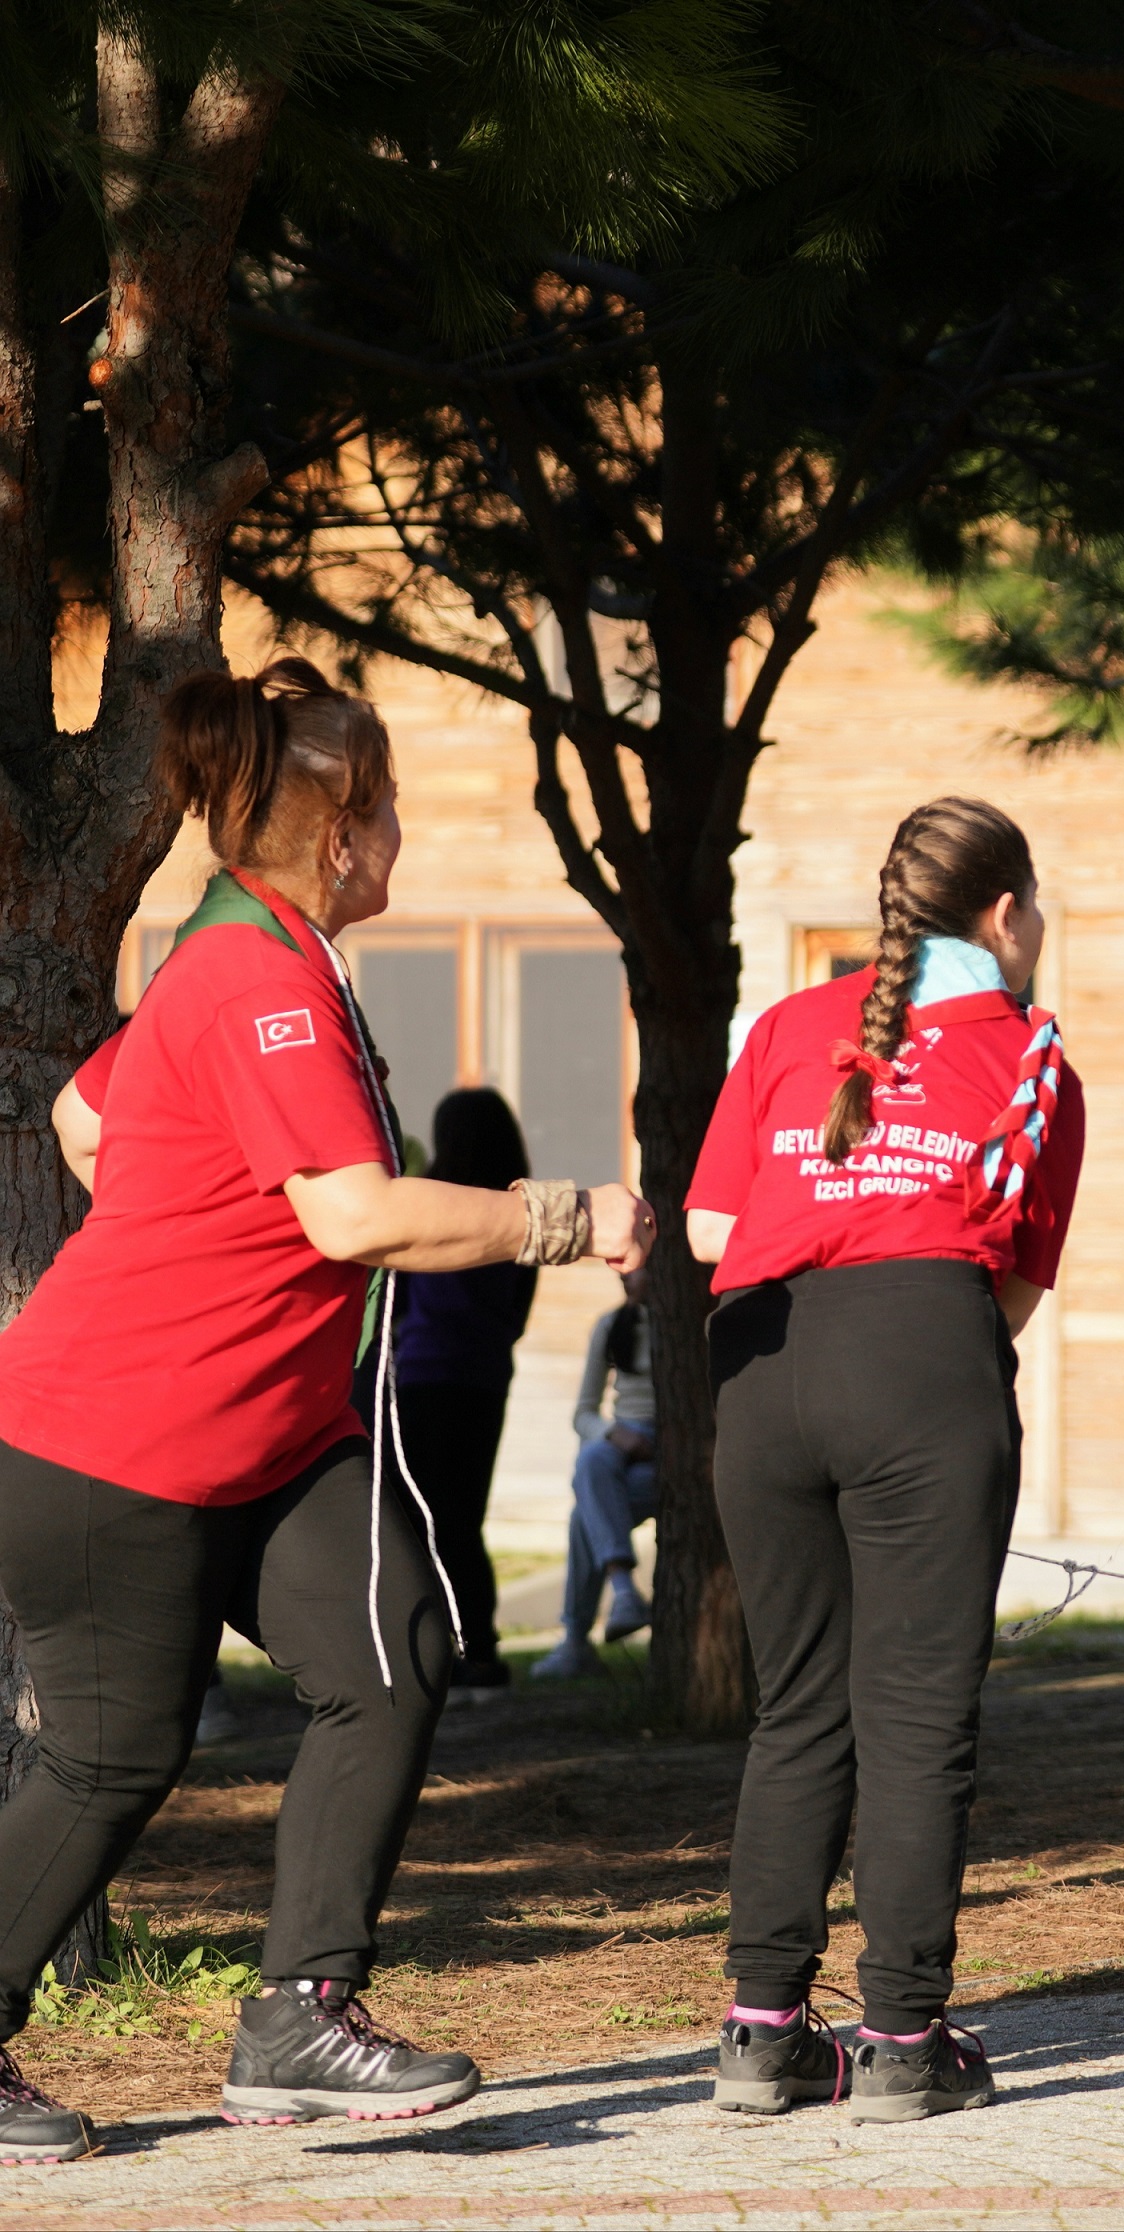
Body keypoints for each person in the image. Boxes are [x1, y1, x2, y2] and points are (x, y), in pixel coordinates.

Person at [0, 660, 648, 2165]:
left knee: (395, 1647)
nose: (403, 829)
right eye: (397, 803)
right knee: (114, 1754)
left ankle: (298, 2018)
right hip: (117, 1443)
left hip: (267, 1437)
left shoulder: (244, 951)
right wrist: (569, 1215)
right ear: (346, 830)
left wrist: (195, 1229)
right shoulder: (255, 977)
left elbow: (87, 1116)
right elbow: (355, 1216)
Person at [686, 797, 1084, 2125]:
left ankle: (760, 2033)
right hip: (921, 1352)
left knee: (799, 1703)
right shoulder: (1033, 1055)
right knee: (915, 1713)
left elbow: (705, 1225)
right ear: (1006, 915)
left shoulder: (790, 1025)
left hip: (762, 1363)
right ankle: (905, 2041)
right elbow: (1015, 1294)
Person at [371, 1089, 537, 1701]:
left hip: (420, 1376)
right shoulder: (519, 1212)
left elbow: (401, 1300)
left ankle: (433, 1652)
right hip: (485, 1377)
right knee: (465, 1518)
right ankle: (480, 1651)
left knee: (419, 1518)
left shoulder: (431, 1203)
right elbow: (515, 1314)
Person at [534, 1265, 657, 1681]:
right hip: (622, 1446)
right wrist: (612, 1431)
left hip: (671, 1449)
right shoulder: (612, 1325)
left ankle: (576, 1641)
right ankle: (623, 1590)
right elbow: (583, 1414)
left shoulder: (689, 1324)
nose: (623, 1272)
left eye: (635, 1263)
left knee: (583, 1514)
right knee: (592, 1461)